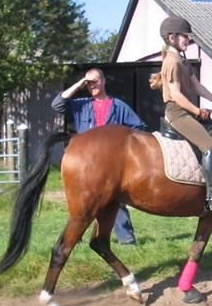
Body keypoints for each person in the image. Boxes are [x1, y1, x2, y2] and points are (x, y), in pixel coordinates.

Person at [150, 16, 212, 211]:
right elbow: (175, 95)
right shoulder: (171, 62)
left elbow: (196, 85)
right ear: (171, 37)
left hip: (188, 111)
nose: (187, 40)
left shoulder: (182, 60)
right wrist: (198, 110)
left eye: (188, 37)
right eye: (184, 36)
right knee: (209, 146)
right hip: (178, 114)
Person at [51, 68, 146, 244]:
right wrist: (80, 83)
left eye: (95, 81)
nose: (92, 85)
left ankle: (126, 240)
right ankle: (75, 237)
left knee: (116, 199)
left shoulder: (118, 106)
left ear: (103, 81)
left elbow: (139, 127)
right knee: (82, 202)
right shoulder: (81, 105)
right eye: (89, 83)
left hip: (112, 164)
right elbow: (57, 104)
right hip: (87, 162)